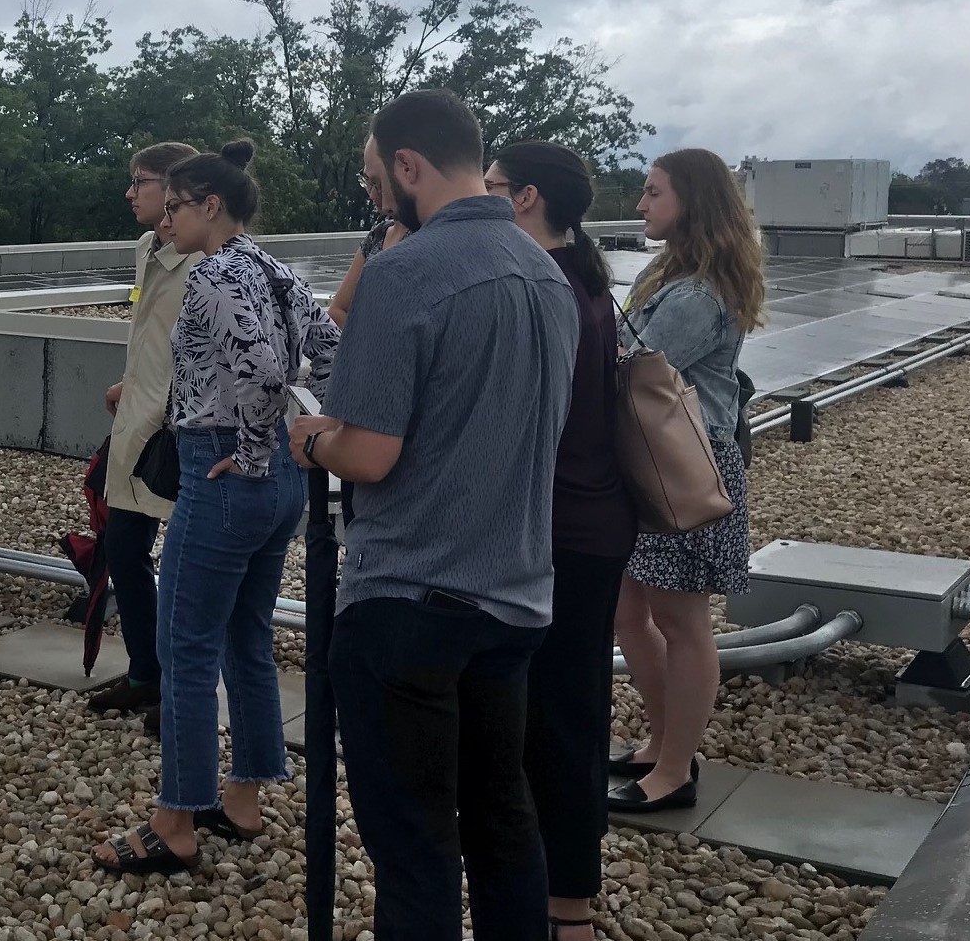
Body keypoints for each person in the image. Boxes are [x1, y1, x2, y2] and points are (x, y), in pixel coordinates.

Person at [291, 89, 579, 941]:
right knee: (503, 826)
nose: (377, 198)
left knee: (415, 848)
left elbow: (369, 451)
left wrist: (310, 439)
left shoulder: (404, 272)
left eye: (378, 181)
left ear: (411, 166)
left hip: (409, 601)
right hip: (516, 598)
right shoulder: (549, 274)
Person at [94, 140, 340, 875]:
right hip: (280, 487)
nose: (164, 220)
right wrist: (309, 431)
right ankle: (243, 798)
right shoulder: (279, 271)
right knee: (246, 636)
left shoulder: (214, 275)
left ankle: (175, 819)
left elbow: (263, 369)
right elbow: (330, 350)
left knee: (185, 646)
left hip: (224, 468)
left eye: (175, 207)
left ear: (210, 207)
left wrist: (258, 443)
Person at [487, 142, 636, 941]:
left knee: (554, 719)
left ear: (527, 198)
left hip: (559, 529)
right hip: (594, 522)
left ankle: (567, 905)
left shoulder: (540, 285)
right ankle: (564, 895)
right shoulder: (587, 279)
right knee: (572, 710)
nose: (484, 196)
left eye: (494, 187)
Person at [607, 148, 766, 816]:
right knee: (629, 612)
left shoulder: (699, 292)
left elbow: (629, 361)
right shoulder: (667, 272)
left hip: (685, 468)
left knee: (682, 619)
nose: (641, 205)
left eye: (653, 193)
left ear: (691, 201)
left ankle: (675, 768)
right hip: (652, 462)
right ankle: (665, 739)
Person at [85, 141, 203, 733]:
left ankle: (178, 695)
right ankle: (143, 673)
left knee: (185, 570)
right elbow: (153, 335)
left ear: (176, 193)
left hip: (183, 439)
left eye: (142, 181)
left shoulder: (208, 259)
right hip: (138, 425)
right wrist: (130, 383)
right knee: (126, 551)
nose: (131, 192)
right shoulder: (146, 248)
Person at [327, 170, 409, 327]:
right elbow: (337, 311)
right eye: (367, 182)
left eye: (377, 184)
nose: (372, 194)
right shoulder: (379, 233)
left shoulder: (424, 239)